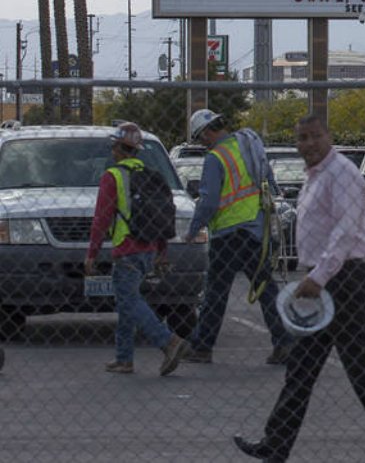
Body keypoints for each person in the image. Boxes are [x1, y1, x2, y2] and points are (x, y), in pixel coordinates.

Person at [234, 115, 365, 463]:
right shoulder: (316, 175)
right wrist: (314, 275)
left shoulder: (341, 173)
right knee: (303, 365)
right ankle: (276, 444)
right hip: (325, 279)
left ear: (328, 136)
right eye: (302, 138)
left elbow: (344, 232)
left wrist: (320, 276)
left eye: (314, 136)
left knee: (360, 368)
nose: (308, 144)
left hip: (342, 279)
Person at [183, 109, 291, 364]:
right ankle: (284, 343)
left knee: (216, 293)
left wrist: (193, 229)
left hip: (228, 234)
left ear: (208, 132)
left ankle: (202, 347)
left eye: (201, 138)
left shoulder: (215, 158)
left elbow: (209, 202)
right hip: (255, 230)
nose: (202, 143)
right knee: (265, 288)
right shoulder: (248, 146)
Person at [84, 123, 190, 376]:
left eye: (114, 145)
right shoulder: (151, 175)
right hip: (149, 248)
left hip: (126, 248)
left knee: (129, 301)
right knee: (126, 302)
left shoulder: (113, 176)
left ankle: (168, 341)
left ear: (119, 149)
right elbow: (163, 216)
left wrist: (92, 253)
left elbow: (101, 218)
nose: (112, 149)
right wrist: (162, 252)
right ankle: (124, 359)